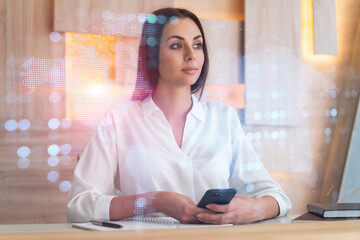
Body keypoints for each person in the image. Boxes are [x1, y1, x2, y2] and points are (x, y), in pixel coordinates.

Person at [67, 7, 292, 224]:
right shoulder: (119, 119)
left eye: (197, 45)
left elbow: (277, 198)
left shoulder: (223, 117)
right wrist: (155, 201)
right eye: (176, 45)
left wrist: (253, 209)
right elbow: (79, 206)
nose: (191, 55)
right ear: (151, 55)